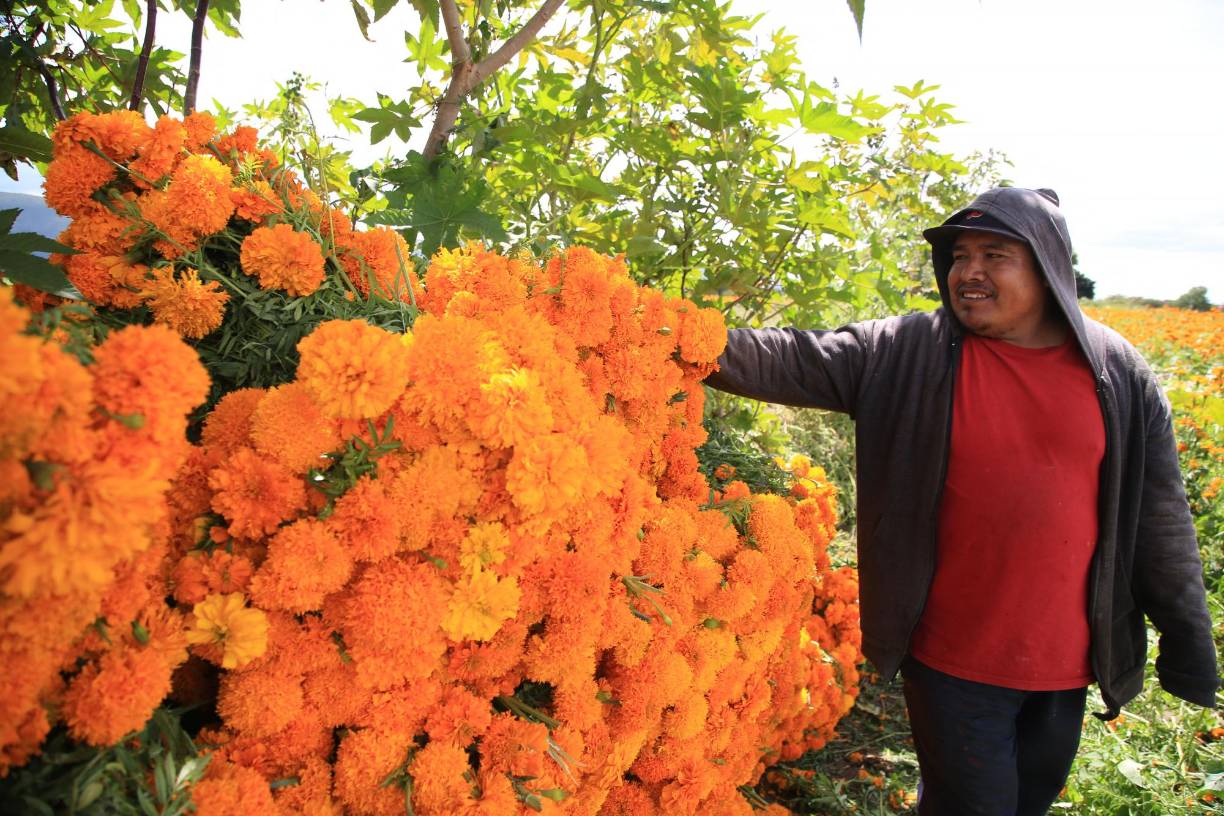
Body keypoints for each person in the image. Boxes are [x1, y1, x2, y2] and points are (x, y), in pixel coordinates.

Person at [705, 186, 1219, 815]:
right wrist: (674, 333)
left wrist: (1187, 642)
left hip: (1068, 663)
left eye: (995, 255)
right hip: (953, 658)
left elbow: (1158, 518)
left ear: (1047, 268)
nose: (969, 271)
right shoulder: (906, 353)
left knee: (1029, 801)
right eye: (960, 255)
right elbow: (787, 358)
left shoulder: (1116, 371)